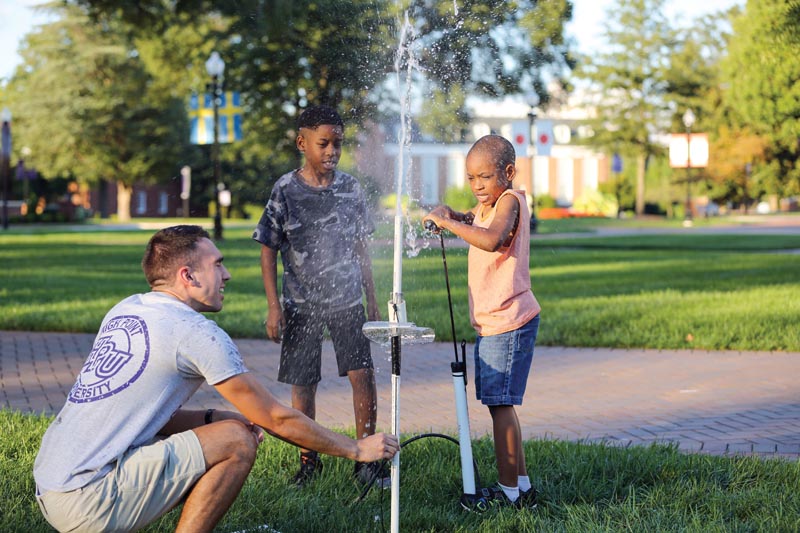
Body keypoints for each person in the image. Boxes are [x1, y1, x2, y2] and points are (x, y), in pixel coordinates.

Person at [32, 225, 398, 533]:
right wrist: (356, 449)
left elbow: (140, 414)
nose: (227, 275)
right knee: (236, 441)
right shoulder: (196, 333)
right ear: (187, 276)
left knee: (225, 429)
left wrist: (211, 418)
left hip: (51, 487)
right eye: (217, 265)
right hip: (88, 499)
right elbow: (276, 417)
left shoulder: (128, 309)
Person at [252, 104, 387, 488]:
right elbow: (268, 249)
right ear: (302, 142)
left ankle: (367, 459)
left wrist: (371, 297)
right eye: (323, 143)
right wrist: (273, 306)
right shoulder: (285, 189)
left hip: (347, 301)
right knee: (303, 382)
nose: (331, 151)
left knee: (363, 375)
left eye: (337, 144)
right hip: (299, 304)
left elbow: (363, 247)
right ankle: (308, 461)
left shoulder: (351, 189)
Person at [423, 135, 541, 510]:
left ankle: (508, 494)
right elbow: (474, 221)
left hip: (509, 320)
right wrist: (452, 215)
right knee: (501, 406)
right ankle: (520, 487)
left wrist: (449, 222)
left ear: (508, 173)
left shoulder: (510, 201)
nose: (477, 186)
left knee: (500, 406)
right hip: (494, 323)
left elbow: (491, 240)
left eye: (485, 178)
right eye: (471, 178)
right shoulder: (489, 204)